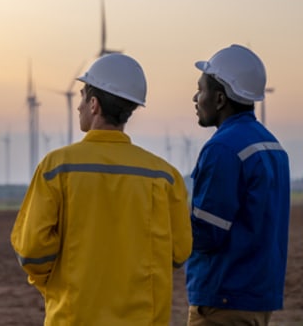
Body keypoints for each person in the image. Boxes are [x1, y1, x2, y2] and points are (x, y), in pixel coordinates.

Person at [11, 53, 192, 325]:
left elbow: (32, 250)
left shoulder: (57, 168)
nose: (78, 107)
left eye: (82, 97)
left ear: (94, 104)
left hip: (74, 317)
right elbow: (179, 252)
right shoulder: (165, 176)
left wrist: (58, 284)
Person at [186, 44, 290, 326]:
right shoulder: (272, 147)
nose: (196, 97)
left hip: (222, 301)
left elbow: (207, 234)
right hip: (258, 299)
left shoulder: (223, 148)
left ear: (220, 99)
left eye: (201, 89)